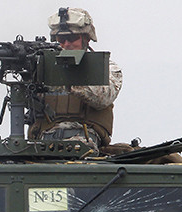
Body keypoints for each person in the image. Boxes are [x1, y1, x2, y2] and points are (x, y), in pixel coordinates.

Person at [28, 7, 123, 155]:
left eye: (72, 39)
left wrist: (69, 77)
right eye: (61, 39)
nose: (66, 44)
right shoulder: (44, 68)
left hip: (84, 139)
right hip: (43, 139)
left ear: (87, 38)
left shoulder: (107, 67)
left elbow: (104, 97)